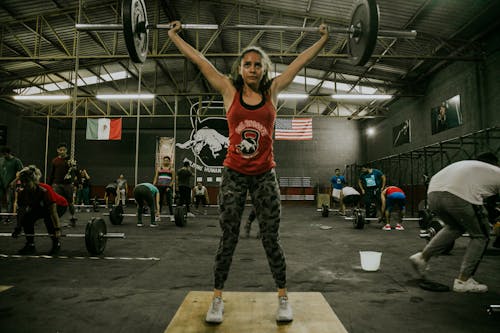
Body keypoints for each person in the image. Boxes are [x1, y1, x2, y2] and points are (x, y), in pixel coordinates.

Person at [168, 20, 328, 324]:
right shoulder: (229, 90)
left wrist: (322, 40)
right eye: (247, 65)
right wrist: (174, 36)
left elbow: (300, 61)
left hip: (265, 174)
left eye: (257, 65)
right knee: (228, 237)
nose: (252, 69)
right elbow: (199, 60)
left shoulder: (274, 90)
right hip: (234, 174)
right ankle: (217, 299)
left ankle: (283, 298)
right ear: (240, 69)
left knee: (271, 238)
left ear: (264, 68)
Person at [409, 152, 500, 293]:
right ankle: (464, 281)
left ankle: (422, 257)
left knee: (455, 227)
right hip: (459, 194)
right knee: (481, 235)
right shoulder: (496, 171)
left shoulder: (468, 165)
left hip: (433, 194)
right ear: (494, 164)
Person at [11, 165, 67, 255]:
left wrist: (57, 229)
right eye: (22, 182)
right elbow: (21, 211)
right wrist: (18, 227)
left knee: (48, 219)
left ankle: (56, 243)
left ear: (34, 181)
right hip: (40, 206)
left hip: (60, 205)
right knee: (27, 219)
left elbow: (53, 212)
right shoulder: (22, 192)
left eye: (27, 182)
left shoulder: (45, 190)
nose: (24, 184)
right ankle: (30, 245)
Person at [49, 142, 77, 227]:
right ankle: (56, 220)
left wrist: (78, 182)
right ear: (58, 151)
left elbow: (76, 171)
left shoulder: (70, 160)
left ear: (66, 150)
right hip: (56, 185)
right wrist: (49, 185)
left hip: (67, 185)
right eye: (60, 150)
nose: (62, 151)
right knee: (55, 202)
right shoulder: (54, 161)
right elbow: (52, 173)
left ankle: (73, 218)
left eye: (63, 150)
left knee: (70, 202)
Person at [0, 147, 23, 223]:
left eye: (5, 154)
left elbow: (21, 172)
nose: (4, 156)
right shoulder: (1, 160)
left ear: (9, 153)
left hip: (10, 184)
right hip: (1, 183)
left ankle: (8, 217)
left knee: (9, 201)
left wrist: (14, 182)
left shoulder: (16, 161)